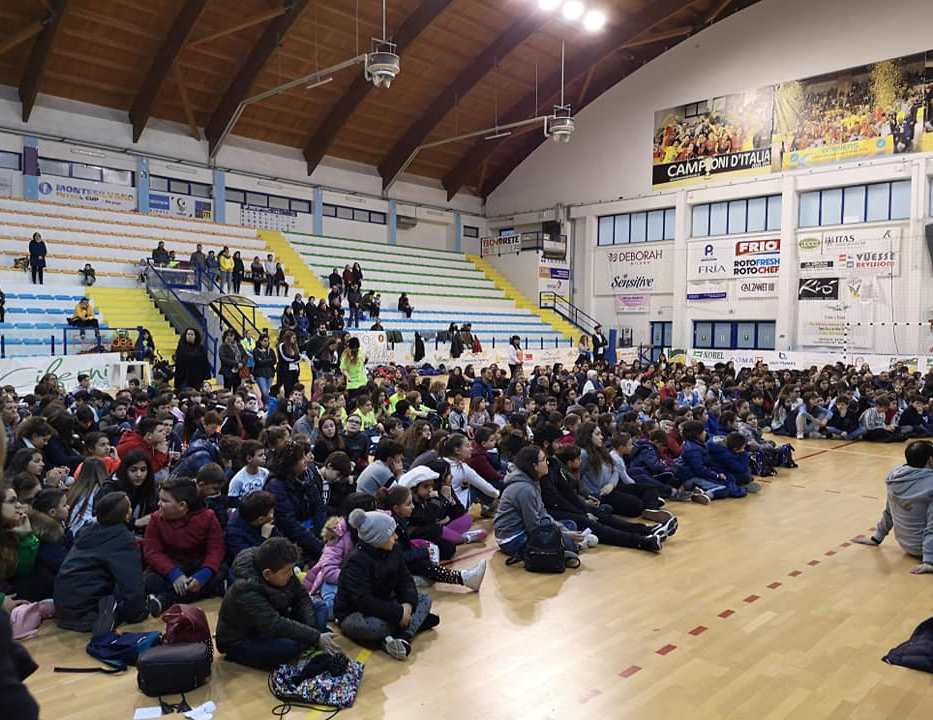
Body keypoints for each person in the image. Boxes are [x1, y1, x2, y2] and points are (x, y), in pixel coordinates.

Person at [216, 537, 340, 669]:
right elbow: (273, 624)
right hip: (244, 639)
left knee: (320, 606)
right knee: (289, 647)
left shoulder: (280, 567)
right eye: (287, 571)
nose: (291, 574)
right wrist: (315, 636)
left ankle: (308, 643)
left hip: (277, 620)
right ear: (267, 574)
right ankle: (309, 642)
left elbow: (302, 597)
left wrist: (312, 631)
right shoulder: (245, 588)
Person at [335, 508, 437, 661]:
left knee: (424, 599)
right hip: (357, 613)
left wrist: (407, 606)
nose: (396, 537)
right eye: (391, 534)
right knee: (373, 627)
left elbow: (405, 580)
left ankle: (402, 637)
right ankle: (410, 626)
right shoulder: (355, 562)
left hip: (386, 603)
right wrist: (398, 613)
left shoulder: (394, 549)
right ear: (377, 538)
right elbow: (364, 601)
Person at [54, 491, 148, 633]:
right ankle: (107, 615)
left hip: (63, 607)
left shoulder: (87, 531)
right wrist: (138, 613)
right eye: (129, 508)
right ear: (127, 515)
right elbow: (131, 582)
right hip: (87, 612)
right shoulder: (122, 539)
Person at [142, 478, 226, 617]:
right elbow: (152, 552)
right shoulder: (156, 519)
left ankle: (165, 599)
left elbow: (216, 549)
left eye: (164, 501)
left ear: (182, 505)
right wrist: (173, 573)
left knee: (220, 571)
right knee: (149, 581)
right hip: (170, 568)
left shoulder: (208, 517)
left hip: (198, 566)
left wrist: (203, 574)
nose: (159, 504)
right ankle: (211, 589)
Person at [854, 440, 933, 574]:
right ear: (930, 460)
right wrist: (929, 561)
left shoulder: (895, 478)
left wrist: (877, 537)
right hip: (925, 550)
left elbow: (889, 512)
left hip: (906, 545)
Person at [493, 445, 584, 558]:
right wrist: (563, 534)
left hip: (525, 530)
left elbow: (542, 513)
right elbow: (533, 527)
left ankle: (566, 546)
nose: (547, 463)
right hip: (512, 538)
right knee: (559, 537)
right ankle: (564, 548)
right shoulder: (525, 489)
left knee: (570, 524)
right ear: (534, 466)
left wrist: (562, 530)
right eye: (544, 460)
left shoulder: (532, 482)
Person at [265, 441, 326, 563]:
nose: (306, 460)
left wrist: (322, 535)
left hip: (314, 532)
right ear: (291, 463)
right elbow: (289, 524)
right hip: (294, 540)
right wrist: (319, 546)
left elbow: (319, 507)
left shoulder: (307, 475)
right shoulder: (275, 486)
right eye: (301, 458)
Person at [340, 337, 368, 402]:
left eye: (356, 348)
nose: (355, 350)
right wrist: (348, 376)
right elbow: (343, 369)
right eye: (353, 348)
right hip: (352, 384)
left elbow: (365, 359)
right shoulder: (345, 355)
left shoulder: (361, 352)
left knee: (363, 401)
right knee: (354, 402)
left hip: (363, 382)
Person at [277, 331, 301, 398]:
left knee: (295, 389)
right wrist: (295, 360)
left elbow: (299, 357)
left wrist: (296, 359)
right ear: (288, 338)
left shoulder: (295, 347)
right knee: (287, 389)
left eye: (295, 338)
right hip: (285, 371)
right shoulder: (282, 345)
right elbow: (285, 357)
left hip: (294, 371)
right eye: (293, 338)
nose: (294, 340)